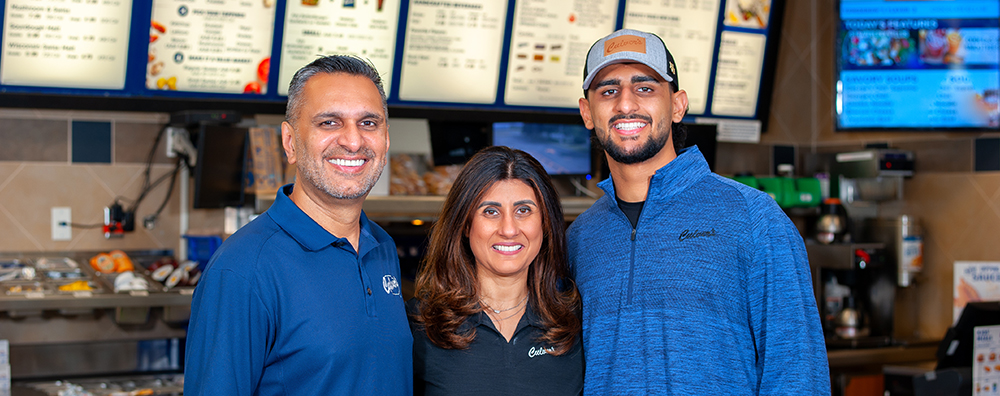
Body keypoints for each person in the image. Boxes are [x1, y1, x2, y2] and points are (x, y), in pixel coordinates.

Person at [568, 29, 830, 394]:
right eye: (608, 91)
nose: (625, 104)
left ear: (677, 105)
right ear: (587, 112)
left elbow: (798, 373)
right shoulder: (579, 238)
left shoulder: (754, 218)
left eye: (645, 88)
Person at [183, 55, 411, 395]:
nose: (353, 141)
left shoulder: (381, 248)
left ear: (386, 140)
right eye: (329, 123)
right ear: (290, 142)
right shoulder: (243, 270)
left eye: (368, 123)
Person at [408, 146, 584, 396]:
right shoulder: (420, 324)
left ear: (545, 223)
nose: (509, 229)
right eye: (491, 211)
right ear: (466, 224)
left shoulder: (575, 323)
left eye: (523, 210)